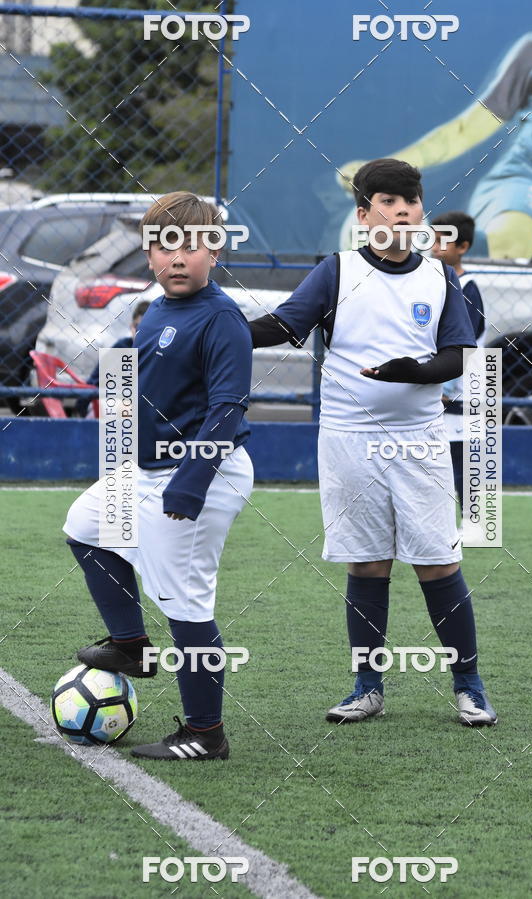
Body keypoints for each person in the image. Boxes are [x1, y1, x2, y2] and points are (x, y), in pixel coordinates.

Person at [250, 159, 497, 726]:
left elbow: (459, 354)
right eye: (390, 201)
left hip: (420, 439)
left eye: (412, 201)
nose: (405, 210)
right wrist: (218, 325)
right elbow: (286, 326)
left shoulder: (441, 277)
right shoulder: (335, 271)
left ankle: (469, 684)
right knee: (367, 564)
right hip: (348, 439)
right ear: (364, 216)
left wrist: (416, 370)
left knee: (437, 561)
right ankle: (367, 686)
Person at [63, 191, 254, 760]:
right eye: (164, 246)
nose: (177, 258)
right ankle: (131, 646)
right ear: (149, 255)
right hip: (148, 472)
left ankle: (204, 734)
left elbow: (227, 408)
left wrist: (191, 480)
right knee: (85, 526)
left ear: (215, 252)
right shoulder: (160, 310)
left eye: (192, 246)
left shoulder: (221, 318)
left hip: (201, 475)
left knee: (186, 603)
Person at [338, 0, 532, 261]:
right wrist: (380, 173)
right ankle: (412, 243)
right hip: (522, 183)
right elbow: (463, 131)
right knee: (513, 244)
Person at [431, 212, 486, 511]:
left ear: (462, 247)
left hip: (460, 394)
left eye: (443, 241)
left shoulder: (468, 287)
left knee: (464, 469)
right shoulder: (427, 284)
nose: (435, 247)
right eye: (432, 239)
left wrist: (447, 390)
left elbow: (465, 345)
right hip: (436, 392)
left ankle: (468, 537)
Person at [76, 300, 151, 417]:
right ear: (132, 327)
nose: (140, 333)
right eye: (137, 327)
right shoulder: (122, 348)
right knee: (128, 408)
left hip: (127, 404)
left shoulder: (155, 351)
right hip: (99, 400)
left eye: (146, 329)